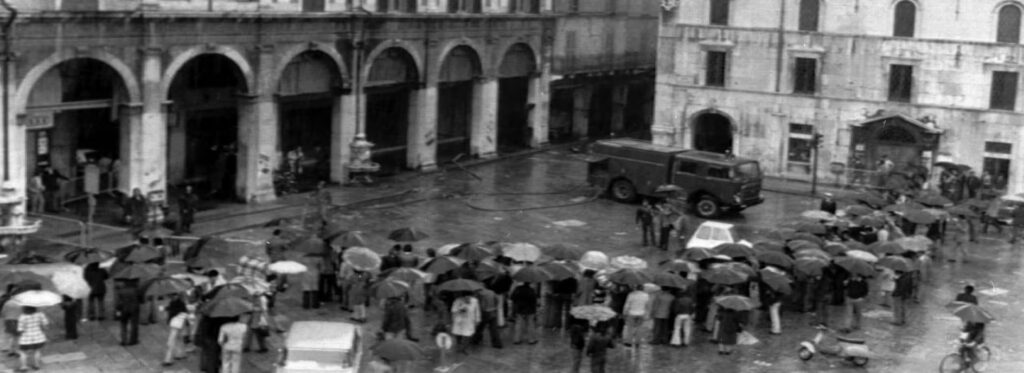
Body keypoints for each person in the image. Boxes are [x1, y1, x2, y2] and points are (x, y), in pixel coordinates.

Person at [16, 306, 49, 371]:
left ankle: (24, 367)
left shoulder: (22, 317)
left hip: (25, 339)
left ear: (24, 308)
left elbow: (20, 330)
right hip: (39, 337)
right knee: (37, 351)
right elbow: (45, 325)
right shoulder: (40, 314)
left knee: (22, 352)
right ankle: (37, 365)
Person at [163, 301, 192, 366]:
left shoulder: (173, 303)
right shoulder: (181, 302)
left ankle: (168, 360)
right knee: (179, 339)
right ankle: (181, 354)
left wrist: (166, 309)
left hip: (176, 323)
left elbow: (172, 312)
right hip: (182, 321)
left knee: (171, 342)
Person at [115, 280, 141, 346]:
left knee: (123, 324)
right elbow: (141, 299)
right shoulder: (136, 290)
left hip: (124, 309)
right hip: (134, 309)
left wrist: (118, 311)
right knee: (134, 325)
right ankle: (133, 340)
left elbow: (118, 302)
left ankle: (124, 340)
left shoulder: (121, 291)